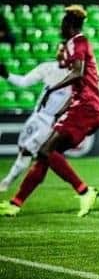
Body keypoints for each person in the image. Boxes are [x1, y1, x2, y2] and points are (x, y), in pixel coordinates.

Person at [0, 5, 99, 217]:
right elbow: (79, 74)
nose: (60, 27)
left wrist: (52, 89)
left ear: (69, 25)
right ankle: (15, 203)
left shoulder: (79, 42)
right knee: (45, 155)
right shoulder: (71, 48)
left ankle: (85, 191)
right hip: (84, 107)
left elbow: (78, 73)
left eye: (63, 24)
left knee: (46, 151)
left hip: (85, 107)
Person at [0, 48, 71, 192]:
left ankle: (6, 183)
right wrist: (6, 75)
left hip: (51, 121)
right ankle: (38, 175)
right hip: (36, 116)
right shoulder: (47, 68)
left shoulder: (74, 76)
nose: (61, 52)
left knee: (28, 150)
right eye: (60, 49)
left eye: (65, 50)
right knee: (23, 149)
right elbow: (24, 82)